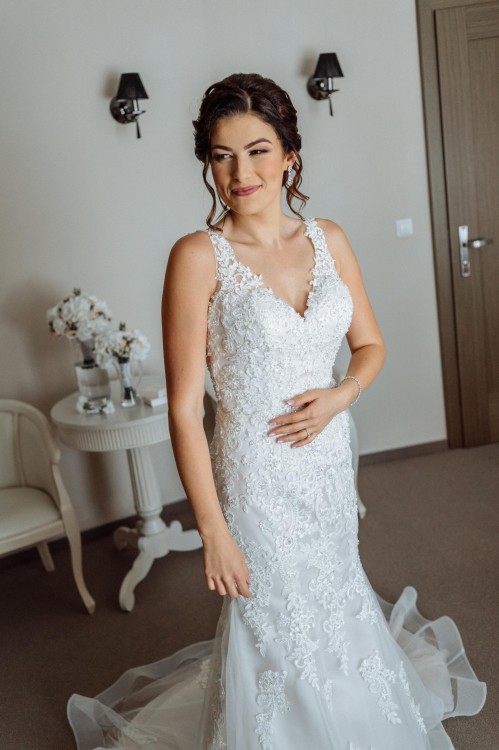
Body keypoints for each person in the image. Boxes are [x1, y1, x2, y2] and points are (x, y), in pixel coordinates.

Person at [68, 73, 486, 750]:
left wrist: (340, 395)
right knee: (273, 620)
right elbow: (183, 411)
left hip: (326, 461)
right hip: (255, 476)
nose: (241, 173)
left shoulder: (330, 240)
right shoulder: (197, 257)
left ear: (290, 154)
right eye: (222, 155)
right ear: (208, 163)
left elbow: (371, 345)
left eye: (258, 151)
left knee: (336, 595)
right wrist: (212, 529)